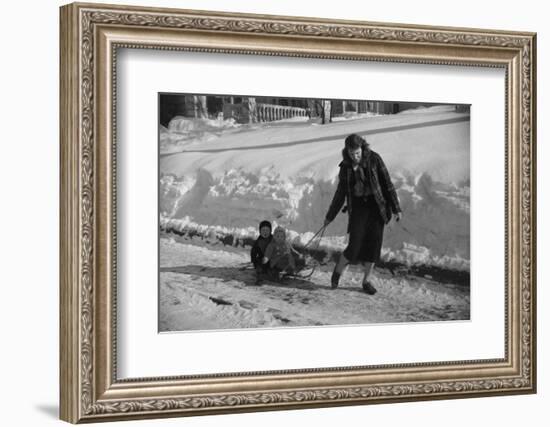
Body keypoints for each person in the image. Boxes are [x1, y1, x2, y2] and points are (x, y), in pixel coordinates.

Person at [324, 134, 402, 294]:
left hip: (377, 207)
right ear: (347, 152)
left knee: (374, 246)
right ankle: (338, 270)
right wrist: (330, 216)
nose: (355, 156)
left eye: (357, 153)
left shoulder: (375, 159)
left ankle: (366, 281)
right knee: (354, 246)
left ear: (363, 148)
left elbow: (387, 184)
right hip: (358, 208)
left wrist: (396, 208)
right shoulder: (345, 167)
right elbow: (340, 194)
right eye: (352, 154)